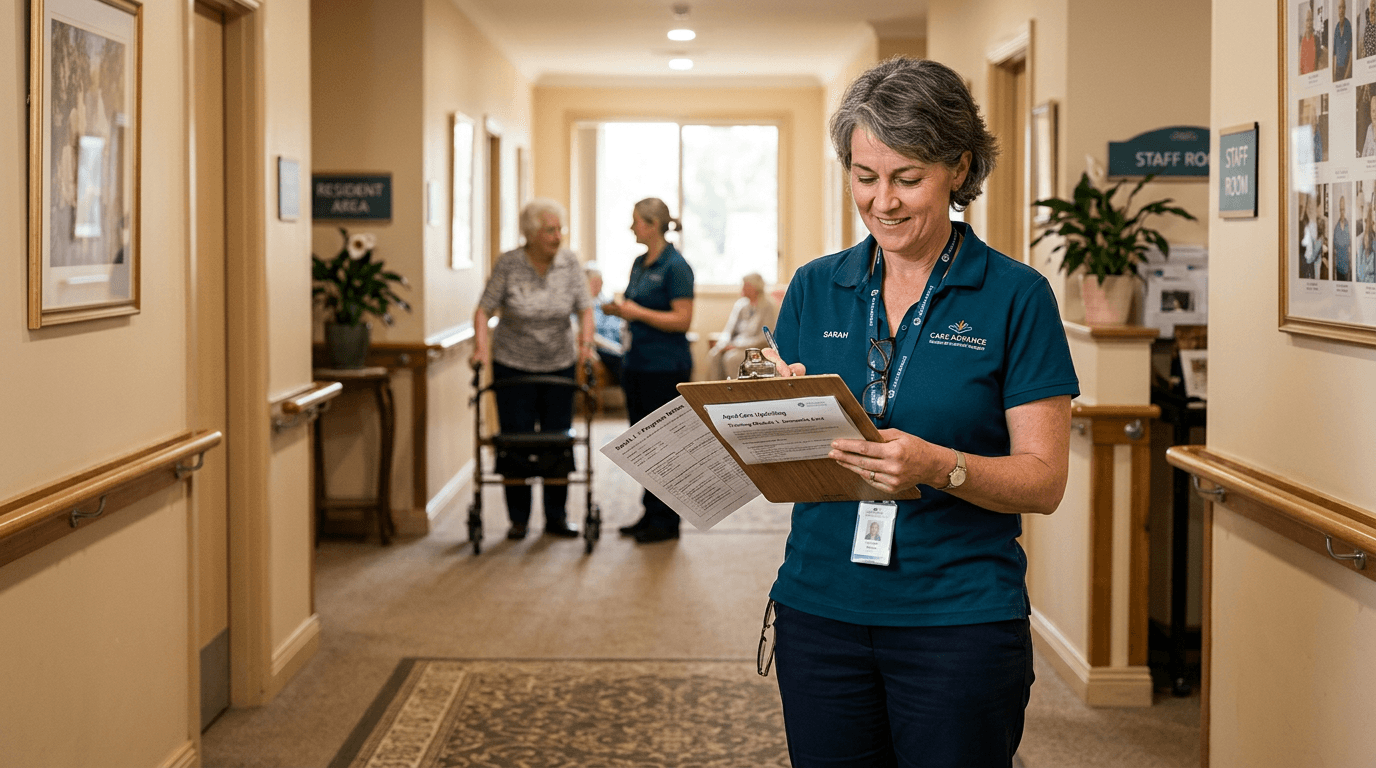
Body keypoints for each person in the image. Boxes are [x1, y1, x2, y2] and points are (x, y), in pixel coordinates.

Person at [758, 57, 1079, 768]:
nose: (884, 202)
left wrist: (941, 465)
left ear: (959, 169)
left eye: (908, 178)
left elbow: (1044, 481)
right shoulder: (815, 287)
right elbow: (780, 456)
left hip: (957, 617)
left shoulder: (1016, 297)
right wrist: (768, 416)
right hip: (820, 606)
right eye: (865, 177)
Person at [471, 199, 595, 540]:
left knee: (557, 440)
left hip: (559, 362)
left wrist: (586, 347)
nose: (557, 237)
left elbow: (585, 309)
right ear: (530, 234)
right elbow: (483, 310)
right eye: (549, 230)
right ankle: (519, 519)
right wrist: (481, 348)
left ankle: (556, 516)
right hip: (513, 364)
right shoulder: (509, 264)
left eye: (560, 229)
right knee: (516, 440)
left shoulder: (569, 263)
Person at [603, 198, 695, 544]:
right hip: (636, 363)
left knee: (665, 446)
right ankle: (649, 511)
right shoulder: (640, 263)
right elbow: (632, 306)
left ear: (653, 224)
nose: (632, 228)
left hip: (666, 367)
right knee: (641, 445)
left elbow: (682, 319)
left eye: (636, 222)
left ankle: (666, 521)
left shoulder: (676, 266)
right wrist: (619, 310)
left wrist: (636, 312)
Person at [706, 273, 778, 380]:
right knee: (714, 355)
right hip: (735, 345)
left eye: (746, 285)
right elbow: (728, 330)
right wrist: (723, 344)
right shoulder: (740, 305)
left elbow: (765, 337)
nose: (743, 288)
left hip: (754, 348)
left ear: (755, 287)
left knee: (731, 359)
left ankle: (735, 392)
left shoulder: (768, 306)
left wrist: (736, 346)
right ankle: (716, 392)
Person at [584, 262, 625, 383]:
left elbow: (621, 325)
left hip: (620, 345)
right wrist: (616, 348)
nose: (598, 285)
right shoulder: (583, 307)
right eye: (594, 282)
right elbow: (590, 335)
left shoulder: (607, 302)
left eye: (600, 282)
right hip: (604, 349)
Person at [1335, 196, 1352, 281]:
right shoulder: (1336, 227)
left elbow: (1349, 243)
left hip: (1346, 267)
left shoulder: (1348, 226)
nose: (1342, 212)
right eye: (1341, 209)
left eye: (1344, 209)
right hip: (1339, 267)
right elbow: (1336, 245)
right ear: (1339, 210)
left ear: (1345, 210)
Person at [1336, 0, 1354, 79]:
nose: (1341, 10)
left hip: (1346, 72)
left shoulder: (1348, 25)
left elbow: (1351, 53)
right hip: (1338, 71)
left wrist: (1346, 76)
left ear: (1345, 9)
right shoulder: (1336, 28)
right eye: (1340, 7)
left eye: (1343, 7)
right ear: (1337, 9)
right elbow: (1334, 54)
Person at [1302, 5, 1319, 74]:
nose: (1309, 23)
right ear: (1304, 23)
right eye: (1307, 20)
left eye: (1311, 20)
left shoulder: (1316, 39)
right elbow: (1301, 64)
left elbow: (1318, 63)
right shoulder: (1302, 41)